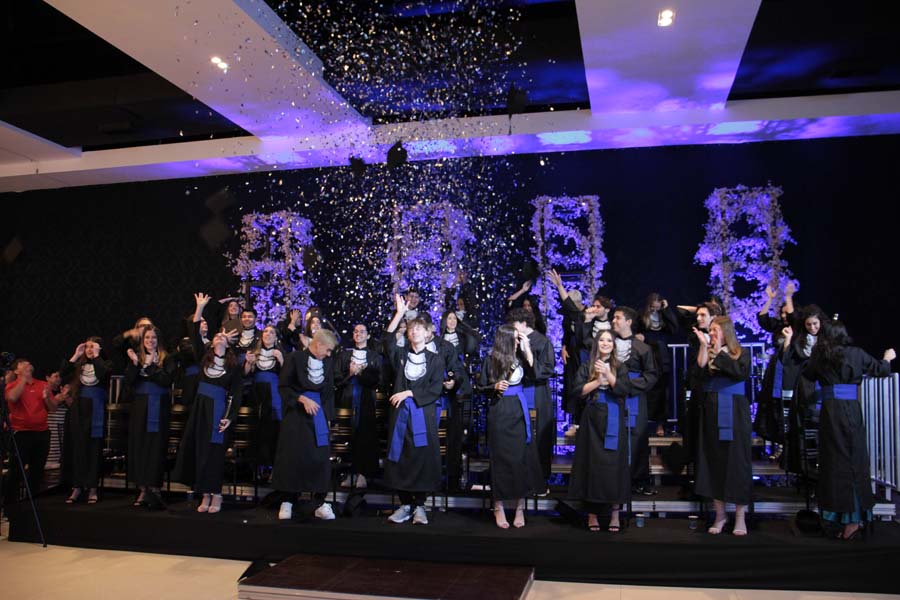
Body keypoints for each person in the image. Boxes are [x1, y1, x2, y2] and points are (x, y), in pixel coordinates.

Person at [804, 319, 895, 540]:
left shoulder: (820, 356)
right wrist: (887, 358)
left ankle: (838, 518)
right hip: (850, 411)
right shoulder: (855, 353)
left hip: (829, 413)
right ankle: (853, 520)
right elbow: (880, 369)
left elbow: (808, 375)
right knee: (853, 461)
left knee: (834, 462)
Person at [173, 293, 242, 514]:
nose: (219, 337)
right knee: (200, 450)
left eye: (223, 336)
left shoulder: (233, 366)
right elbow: (194, 332)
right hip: (200, 409)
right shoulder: (203, 356)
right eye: (217, 335)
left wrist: (228, 418)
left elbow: (236, 394)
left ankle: (217, 493)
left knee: (215, 452)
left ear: (228, 343)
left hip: (219, 411)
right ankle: (204, 493)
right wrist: (200, 307)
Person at [383, 294, 445, 525]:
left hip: (423, 415)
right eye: (411, 329)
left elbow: (435, 389)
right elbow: (387, 341)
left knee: (422, 457)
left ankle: (420, 505)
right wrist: (399, 313)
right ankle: (405, 504)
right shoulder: (401, 355)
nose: (415, 332)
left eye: (419, 328)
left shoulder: (436, 360)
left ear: (428, 333)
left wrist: (409, 393)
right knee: (400, 456)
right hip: (400, 415)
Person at [477, 324, 544, 529]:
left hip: (518, 409)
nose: (517, 342)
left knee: (521, 458)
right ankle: (498, 507)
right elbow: (480, 388)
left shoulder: (522, 358)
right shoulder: (490, 360)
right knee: (501, 460)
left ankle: (519, 507)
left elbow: (537, 374)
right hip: (500, 410)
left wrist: (527, 348)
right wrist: (494, 386)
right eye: (515, 339)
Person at [692, 316, 752, 536]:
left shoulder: (741, 353)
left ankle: (740, 516)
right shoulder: (709, 352)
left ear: (726, 331)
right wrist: (704, 346)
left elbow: (740, 373)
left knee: (737, 461)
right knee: (714, 460)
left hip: (735, 409)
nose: (712, 333)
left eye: (715, 329)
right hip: (712, 408)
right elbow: (699, 373)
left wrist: (719, 353)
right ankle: (720, 515)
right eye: (711, 330)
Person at [272, 328, 339, 521]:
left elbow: (328, 392)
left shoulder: (328, 363)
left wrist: (328, 418)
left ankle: (319, 502)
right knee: (292, 455)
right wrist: (301, 399)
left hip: (318, 416)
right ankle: (288, 500)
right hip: (296, 415)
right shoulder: (294, 358)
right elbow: (284, 387)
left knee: (319, 457)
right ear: (318, 344)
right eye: (327, 350)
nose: (329, 354)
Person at [568, 330, 631, 531]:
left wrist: (608, 374)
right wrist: (597, 381)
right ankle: (592, 514)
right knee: (591, 465)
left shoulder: (620, 367)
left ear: (614, 344)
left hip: (613, 416)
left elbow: (623, 390)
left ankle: (615, 514)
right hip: (592, 418)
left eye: (609, 340)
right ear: (597, 343)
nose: (605, 343)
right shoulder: (586, 365)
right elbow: (577, 391)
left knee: (614, 465)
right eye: (602, 340)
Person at [125, 325, 175, 508]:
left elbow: (167, 380)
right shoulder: (136, 357)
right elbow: (130, 380)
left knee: (156, 445)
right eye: (147, 338)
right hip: (140, 406)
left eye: (153, 337)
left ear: (158, 340)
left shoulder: (166, 358)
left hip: (159, 405)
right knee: (140, 444)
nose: (150, 341)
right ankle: (142, 488)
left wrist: (149, 366)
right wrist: (135, 364)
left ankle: (154, 488)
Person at [611, 307, 659, 496]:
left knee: (637, 438)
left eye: (617, 318)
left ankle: (637, 480)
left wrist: (626, 385)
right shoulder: (608, 343)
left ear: (629, 322)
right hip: (611, 396)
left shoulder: (643, 348)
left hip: (634, 398)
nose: (613, 321)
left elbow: (651, 375)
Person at [506, 307, 556, 486]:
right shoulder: (513, 340)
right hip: (517, 391)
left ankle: (540, 478)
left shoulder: (542, 341)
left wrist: (528, 354)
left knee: (538, 436)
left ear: (523, 323)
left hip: (536, 392)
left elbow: (547, 369)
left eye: (514, 324)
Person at [59, 338, 112, 504]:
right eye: (87, 346)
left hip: (96, 409)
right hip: (78, 409)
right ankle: (77, 486)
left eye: (93, 347)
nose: (89, 349)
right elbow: (63, 375)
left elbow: (103, 375)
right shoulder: (78, 365)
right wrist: (76, 355)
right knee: (78, 447)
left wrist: (96, 357)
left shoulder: (106, 364)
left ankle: (92, 487)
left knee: (94, 448)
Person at [334, 324, 382, 489]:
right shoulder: (344, 355)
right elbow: (336, 378)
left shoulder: (375, 356)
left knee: (365, 435)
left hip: (366, 400)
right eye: (356, 331)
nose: (358, 334)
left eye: (362, 331)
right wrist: (350, 373)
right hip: (347, 399)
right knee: (347, 436)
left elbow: (378, 380)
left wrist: (361, 373)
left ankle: (362, 474)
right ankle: (349, 473)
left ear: (368, 335)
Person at [4, 359, 56, 505]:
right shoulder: (12, 385)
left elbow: (53, 408)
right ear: (16, 371)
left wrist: (47, 398)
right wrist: (23, 379)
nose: (27, 365)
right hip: (21, 433)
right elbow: (12, 397)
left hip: (42, 432)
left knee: (37, 470)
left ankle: (32, 501)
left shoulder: (42, 384)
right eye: (23, 364)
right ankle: (10, 504)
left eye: (28, 363)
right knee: (16, 470)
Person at [753, 283, 796, 447]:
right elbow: (763, 318)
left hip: (791, 366)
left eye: (786, 312)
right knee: (773, 402)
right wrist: (769, 299)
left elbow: (793, 317)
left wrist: (788, 296)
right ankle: (777, 442)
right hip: (776, 366)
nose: (784, 315)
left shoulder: (797, 328)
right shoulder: (778, 327)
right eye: (782, 312)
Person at [245, 325, 286, 478]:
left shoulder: (280, 353)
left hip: (274, 395)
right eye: (266, 332)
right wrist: (248, 363)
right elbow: (245, 373)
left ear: (276, 337)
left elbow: (287, 375)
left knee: (274, 429)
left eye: (271, 332)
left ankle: (274, 467)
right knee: (257, 427)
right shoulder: (254, 353)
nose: (268, 334)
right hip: (257, 394)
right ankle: (257, 467)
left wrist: (281, 359)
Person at [637, 293, 678, 437]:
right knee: (646, 389)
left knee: (662, 392)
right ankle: (643, 422)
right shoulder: (641, 316)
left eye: (657, 307)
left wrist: (667, 310)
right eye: (652, 307)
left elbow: (673, 329)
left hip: (662, 357)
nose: (654, 310)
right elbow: (638, 334)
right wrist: (645, 338)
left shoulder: (664, 316)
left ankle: (661, 423)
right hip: (647, 356)